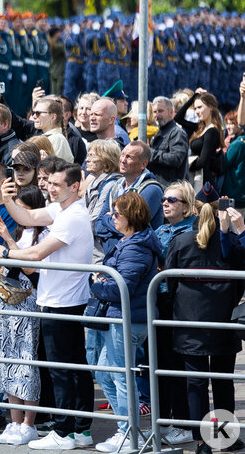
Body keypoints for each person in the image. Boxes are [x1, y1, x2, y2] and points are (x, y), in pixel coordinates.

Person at [0, 162, 94, 450]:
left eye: (56, 184)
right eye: (48, 183)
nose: (49, 188)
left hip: (63, 302)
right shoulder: (61, 209)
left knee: (64, 369)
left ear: (74, 187)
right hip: (58, 299)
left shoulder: (73, 216)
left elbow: (37, 252)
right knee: (72, 367)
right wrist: (7, 199)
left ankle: (65, 432)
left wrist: (7, 252)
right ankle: (79, 430)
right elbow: (26, 217)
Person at [165, 183, 245, 454]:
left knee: (196, 383)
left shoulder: (182, 241)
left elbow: (168, 284)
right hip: (222, 322)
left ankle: (201, 442)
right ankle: (224, 439)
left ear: (196, 210)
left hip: (190, 322)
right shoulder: (231, 242)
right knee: (222, 381)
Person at [89, 192, 161, 453]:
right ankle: (126, 429)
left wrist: (95, 285)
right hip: (125, 318)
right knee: (104, 372)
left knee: (121, 377)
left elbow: (123, 289)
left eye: (116, 214)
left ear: (130, 217)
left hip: (127, 319)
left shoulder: (135, 246)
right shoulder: (132, 241)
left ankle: (129, 434)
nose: (112, 218)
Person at [0, 186, 46, 447]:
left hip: (27, 302)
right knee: (5, 361)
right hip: (3, 300)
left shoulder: (43, 235)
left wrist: (7, 240)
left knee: (25, 363)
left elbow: (31, 269)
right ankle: (14, 421)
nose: (14, 212)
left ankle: (29, 424)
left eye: (20, 207)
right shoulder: (18, 230)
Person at [153, 181, 195, 447]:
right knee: (160, 367)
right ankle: (163, 422)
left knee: (177, 367)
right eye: (164, 199)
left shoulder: (191, 232)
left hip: (177, 303)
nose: (166, 203)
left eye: (172, 200)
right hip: (157, 301)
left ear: (187, 207)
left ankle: (183, 424)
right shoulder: (160, 229)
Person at [94, 141, 164, 257]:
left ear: (143, 164)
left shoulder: (151, 189)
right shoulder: (115, 186)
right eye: (122, 155)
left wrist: (108, 218)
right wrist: (117, 224)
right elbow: (98, 226)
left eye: (129, 157)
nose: (122, 160)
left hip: (135, 256)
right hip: (112, 257)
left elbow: (132, 227)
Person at [82, 140, 122, 262]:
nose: (87, 160)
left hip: (99, 252)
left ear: (106, 161)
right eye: (88, 155)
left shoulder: (110, 184)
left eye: (92, 156)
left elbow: (94, 220)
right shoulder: (94, 181)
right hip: (88, 246)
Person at [175, 90, 224, 189]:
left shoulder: (212, 131)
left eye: (200, 107)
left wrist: (184, 165)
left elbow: (203, 161)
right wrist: (193, 98)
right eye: (195, 108)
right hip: (197, 177)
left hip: (204, 181)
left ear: (210, 107)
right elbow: (178, 118)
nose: (197, 111)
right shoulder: (200, 127)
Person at [149, 96, 190, 186]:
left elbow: (176, 159)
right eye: (154, 112)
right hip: (159, 186)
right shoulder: (159, 133)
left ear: (171, 112)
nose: (157, 115)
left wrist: (150, 153)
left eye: (160, 111)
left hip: (172, 190)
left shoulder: (177, 133)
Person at [31, 97, 74, 162]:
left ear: (53, 117)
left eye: (38, 113)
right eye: (33, 112)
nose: (34, 116)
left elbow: (53, 169)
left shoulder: (58, 139)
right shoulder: (50, 137)